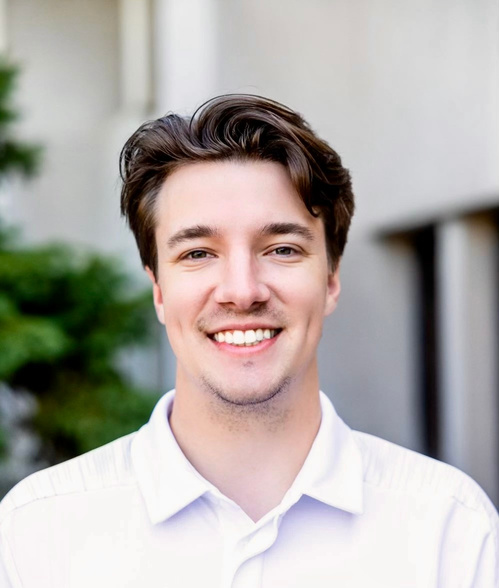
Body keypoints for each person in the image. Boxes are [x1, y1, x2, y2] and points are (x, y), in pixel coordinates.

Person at [0, 95, 497, 588]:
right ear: (159, 291)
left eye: (282, 249)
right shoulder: (37, 534)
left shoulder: (451, 530)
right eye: (198, 253)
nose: (242, 291)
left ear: (330, 280)